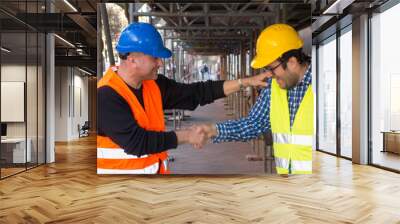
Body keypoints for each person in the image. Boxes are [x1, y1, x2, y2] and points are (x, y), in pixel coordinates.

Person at [97, 22, 270, 174]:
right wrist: (188, 135)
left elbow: (196, 93)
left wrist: (245, 82)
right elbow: (137, 142)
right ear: (133, 59)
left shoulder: (153, 85)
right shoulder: (106, 95)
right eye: (155, 58)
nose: (160, 63)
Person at [196, 24, 314, 175]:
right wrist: (214, 130)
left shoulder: (325, 84)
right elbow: (253, 123)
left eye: (271, 68)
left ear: (291, 62)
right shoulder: (273, 87)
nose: (270, 74)